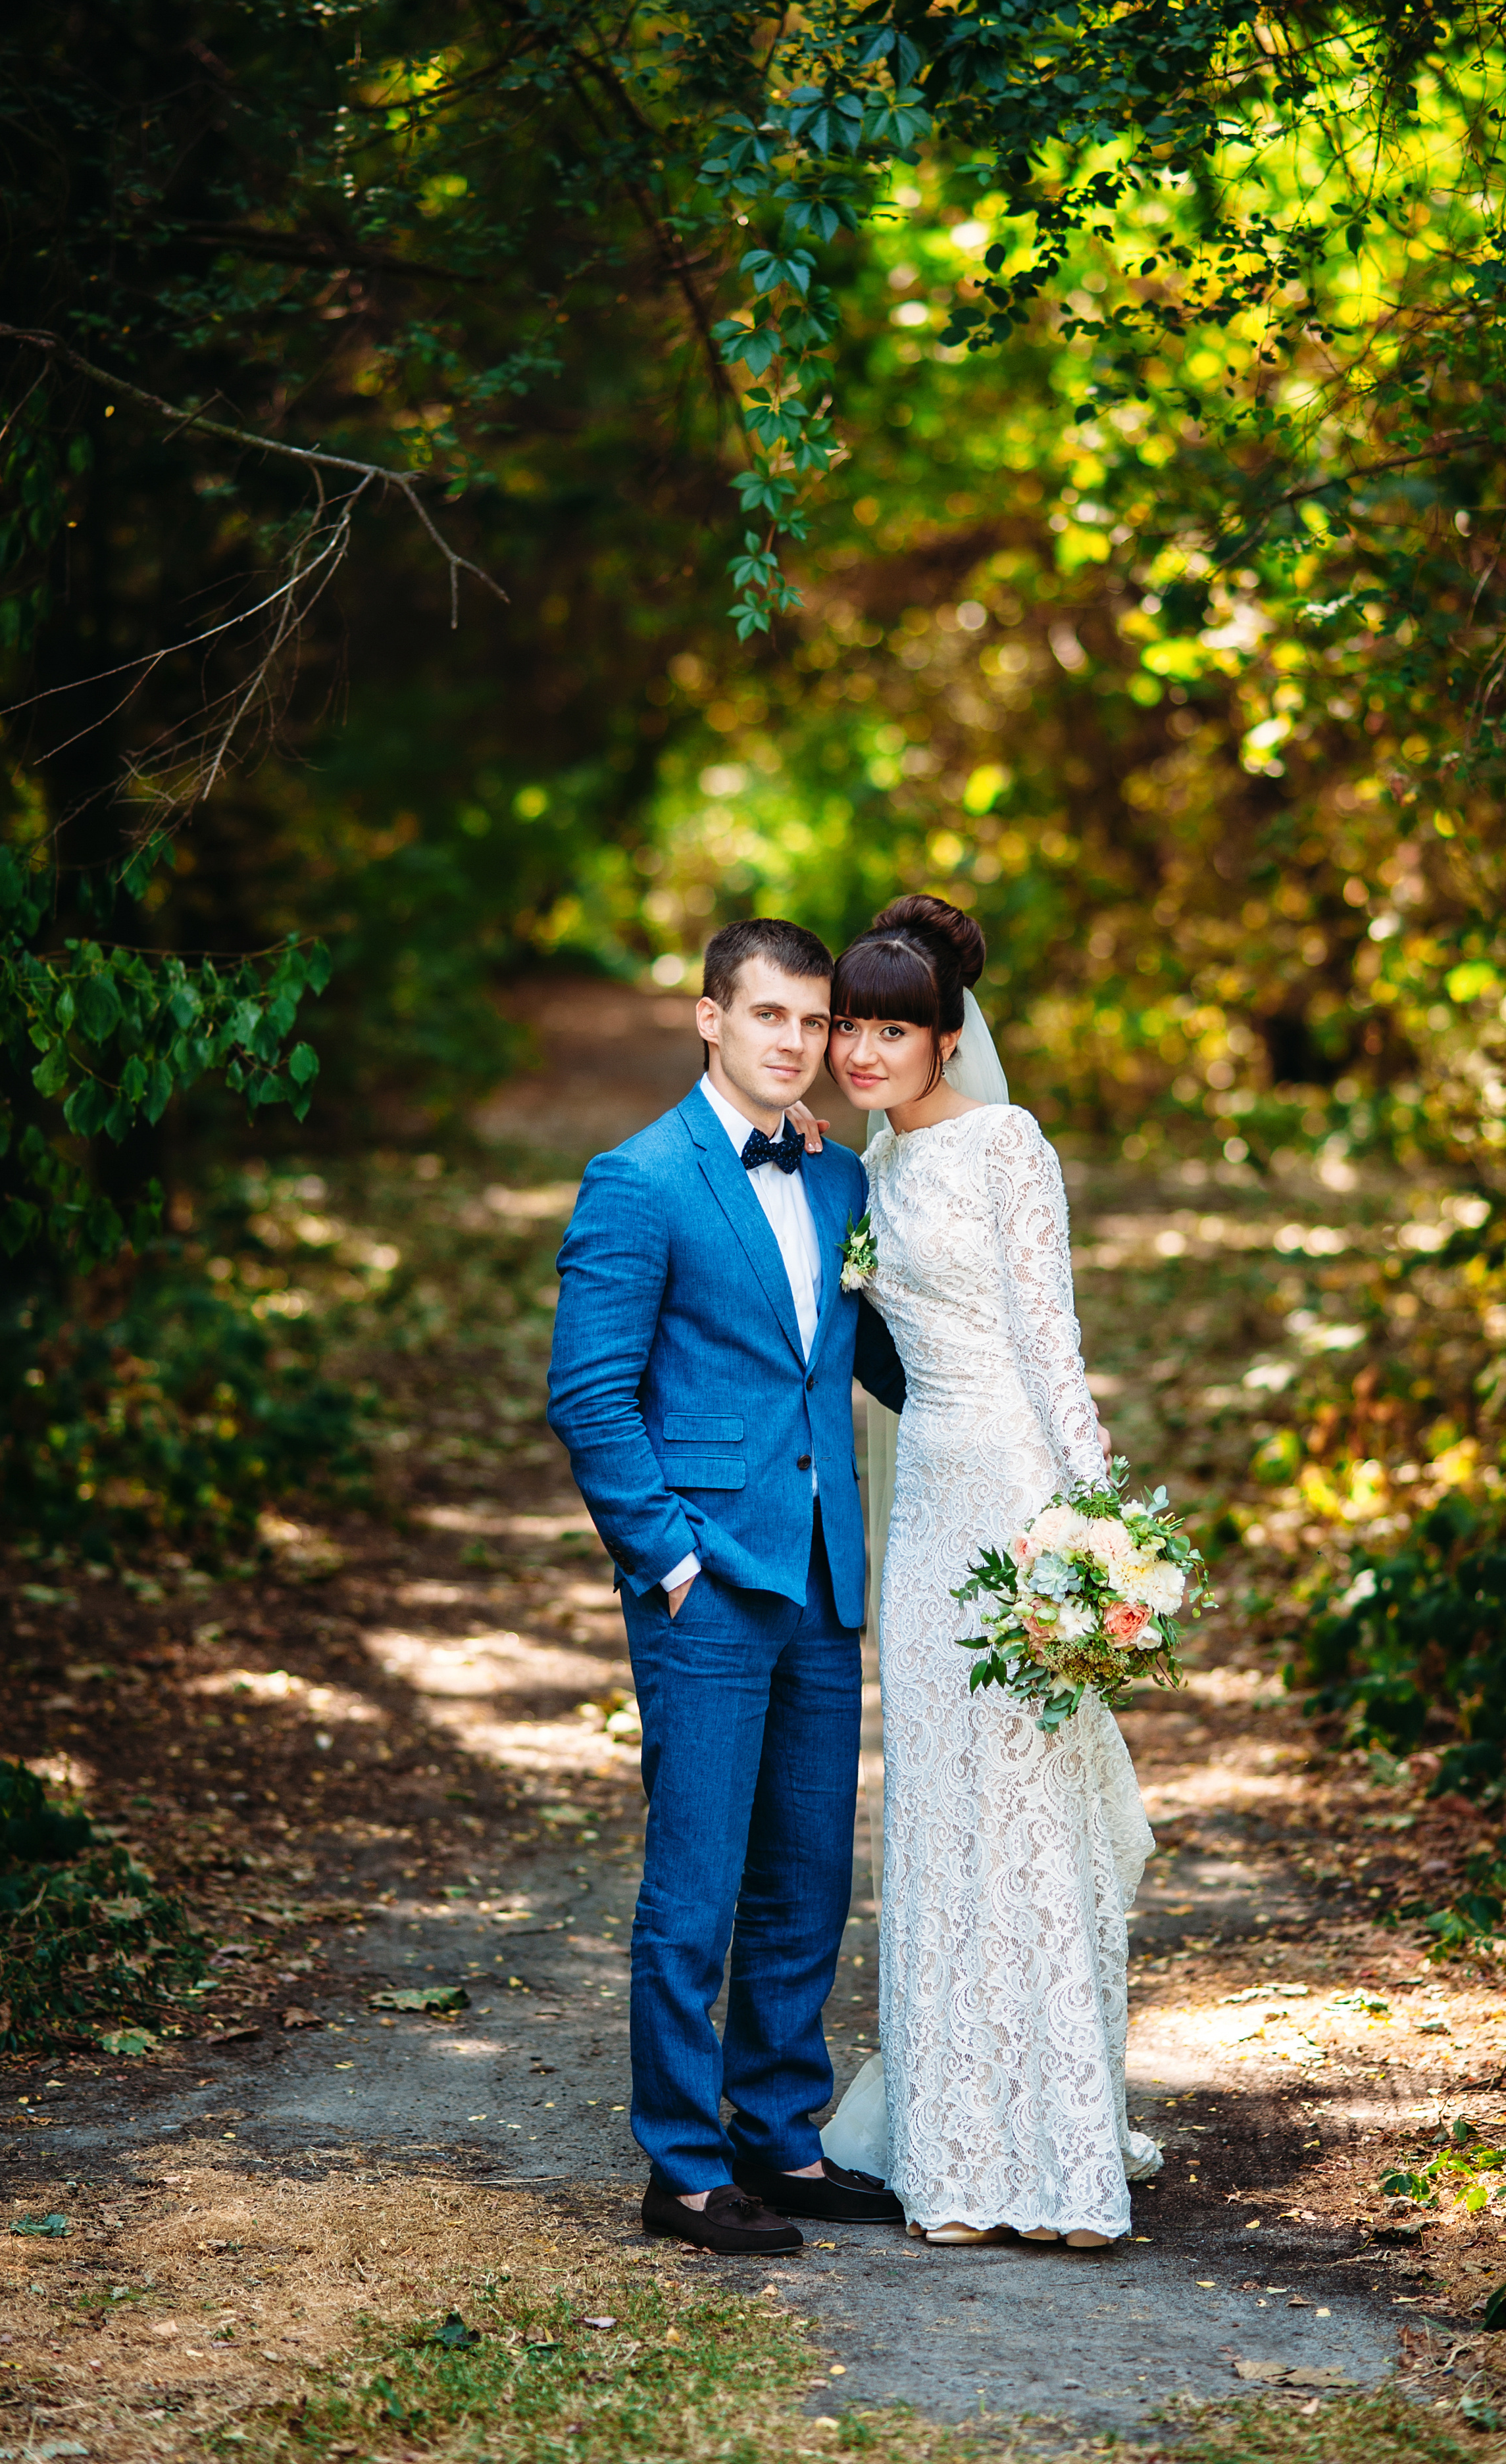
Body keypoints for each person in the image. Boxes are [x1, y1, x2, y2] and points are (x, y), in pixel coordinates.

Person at [547, 916, 910, 2255]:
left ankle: (780, 2133)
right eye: (770, 1017)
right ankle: (683, 2170)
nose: (796, 1045)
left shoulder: (836, 1183)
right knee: (695, 1884)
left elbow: (865, 1365)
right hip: (708, 1577)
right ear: (711, 1018)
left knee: (808, 1874)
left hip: (823, 1571)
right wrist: (672, 1561)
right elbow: (588, 1394)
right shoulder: (640, 1180)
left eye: (814, 1023)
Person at [820, 893, 1162, 2248]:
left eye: (890, 1029)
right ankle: (957, 2159)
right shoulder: (876, 1173)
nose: (862, 1050)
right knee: (940, 1824)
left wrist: (1094, 1530)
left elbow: (1050, 1340)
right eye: (850, 1025)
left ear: (946, 1039)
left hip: (1017, 1501)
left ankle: (1064, 2162)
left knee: (1029, 1823)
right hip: (923, 1522)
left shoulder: (1008, 1145)